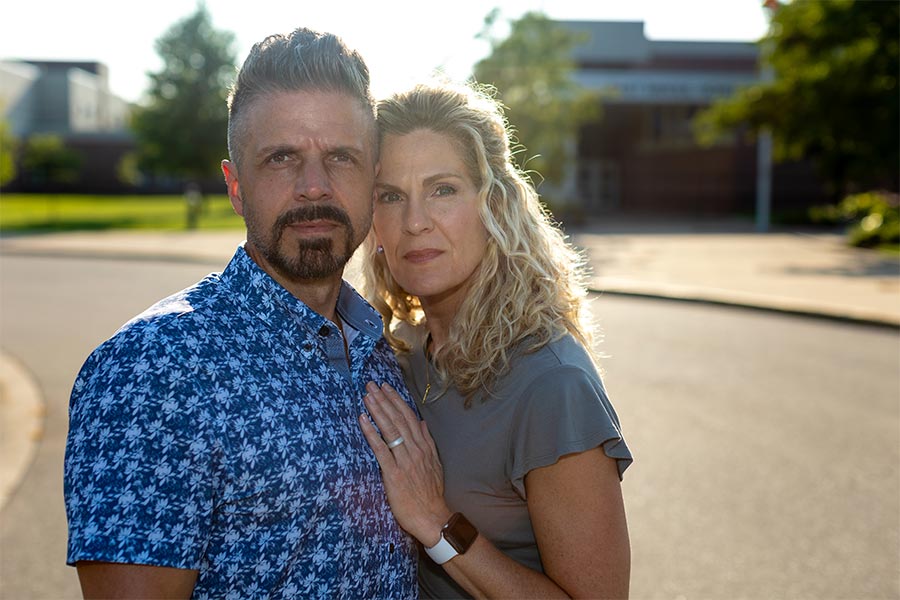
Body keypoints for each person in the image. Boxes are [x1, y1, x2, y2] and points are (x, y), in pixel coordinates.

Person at [63, 28, 418, 599]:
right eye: (281, 158)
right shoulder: (153, 372)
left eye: (341, 158)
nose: (314, 187)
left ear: (371, 180)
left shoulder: (380, 349)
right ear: (234, 187)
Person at [357, 81, 633, 599]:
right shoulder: (401, 354)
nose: (414, 222)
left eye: (443, 189)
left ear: (494, 205)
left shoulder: (552, 384)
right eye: (390, 196)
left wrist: (438, 523)